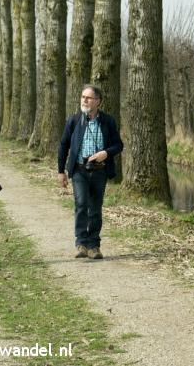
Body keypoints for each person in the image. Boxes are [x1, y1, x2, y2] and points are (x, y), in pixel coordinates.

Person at [58, 84, 123, 259]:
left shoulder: (108, 121)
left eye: (89, 97)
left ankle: (94, 246)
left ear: (98, 101)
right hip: (79, 170)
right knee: (81, 205)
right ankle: (81, 243)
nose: (84, 100)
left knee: (95, 208)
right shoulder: (74, 120)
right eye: (82, 97)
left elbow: (119, 145)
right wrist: (61, 171)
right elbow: (64, 145)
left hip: (100, 171)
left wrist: (106, 153)